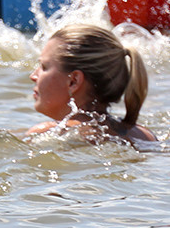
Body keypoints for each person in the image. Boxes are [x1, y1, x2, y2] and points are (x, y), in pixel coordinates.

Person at [27, 24, 157, 143]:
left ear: (74, 81)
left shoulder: (46, 133)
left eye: (44, 67)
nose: (33, 76)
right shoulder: (145, 136)